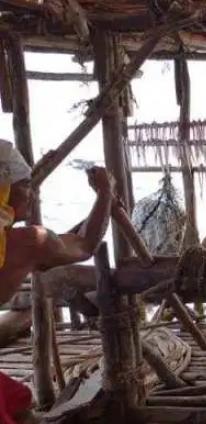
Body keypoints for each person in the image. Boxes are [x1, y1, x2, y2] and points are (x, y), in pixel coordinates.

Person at [0, 139, 115, 423]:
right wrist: (106, 192)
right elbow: (85, 244)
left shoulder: (20, 242)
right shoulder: (25, 243)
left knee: (19, 404)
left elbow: (63, 242)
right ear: (4, 189)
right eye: (25, 185)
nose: (32, 194)